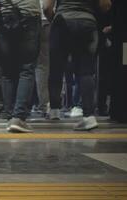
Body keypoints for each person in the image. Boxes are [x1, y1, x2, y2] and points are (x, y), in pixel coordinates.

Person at [44, 0, 112, 130]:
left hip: (62, 20)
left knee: (56, 69)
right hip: (87, 23)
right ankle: (89, 116)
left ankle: (54, 111)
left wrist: (55, 19)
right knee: (86, 71)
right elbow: (106, 5)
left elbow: (47, 7)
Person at [0, 0, 41, 132]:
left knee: (7, 72)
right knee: (27, 69)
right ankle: (19, 117)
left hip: (5, 16)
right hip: (29, 16)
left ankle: (10, 117)